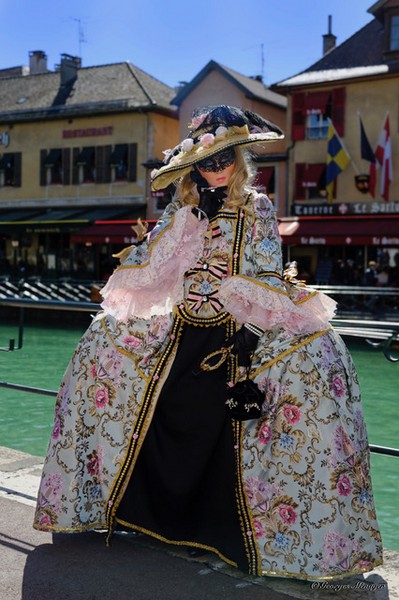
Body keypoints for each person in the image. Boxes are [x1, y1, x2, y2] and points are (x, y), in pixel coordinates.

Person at [33, 105, 382, 581]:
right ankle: (136, 516)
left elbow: (261, 269)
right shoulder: (183, 209)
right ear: (194, 166)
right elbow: (151, 265)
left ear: (240, 159)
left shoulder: (257, 207)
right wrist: (188, 223)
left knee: (314, 360)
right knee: (104, 343)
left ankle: (254, 541)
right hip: (181, 332)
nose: (216, 170)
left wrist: (251, 332)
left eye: (223, 161)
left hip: (234, 330)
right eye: (206, 163)